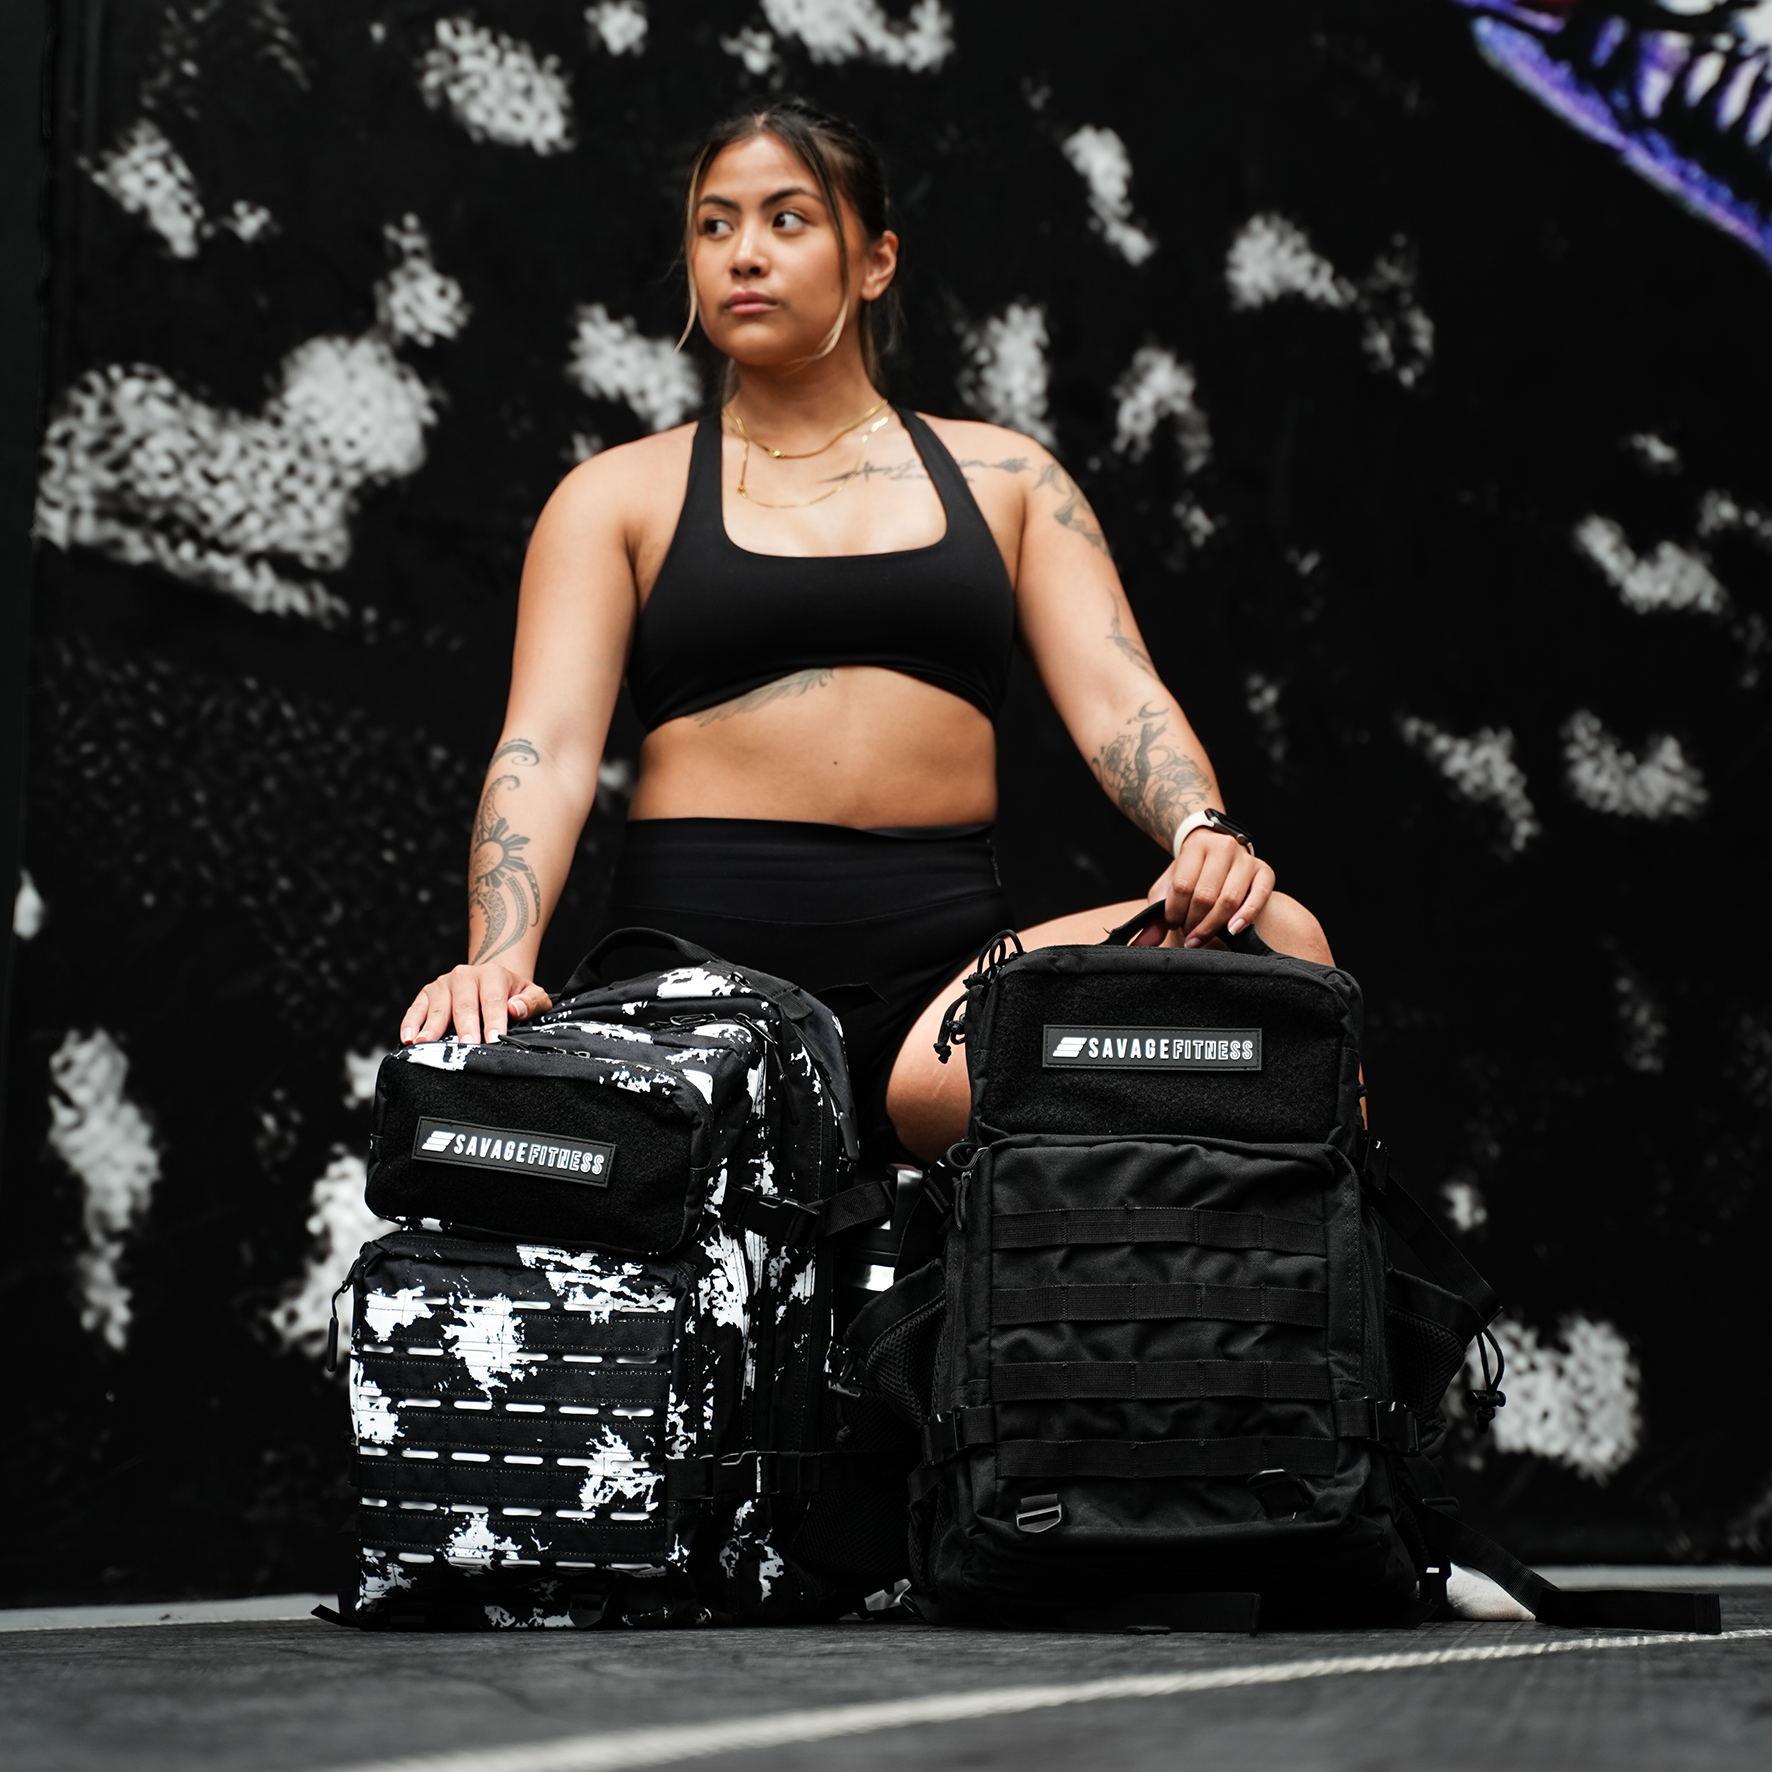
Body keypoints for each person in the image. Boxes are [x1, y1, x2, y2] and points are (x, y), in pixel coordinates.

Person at [398, 98, 1334, 1169]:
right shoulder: (615, 496)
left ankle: (1322, 1320)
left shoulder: (1009, 479)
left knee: (1278, 944)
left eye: (786, 218)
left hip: (943, 991)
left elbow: (1119, 697)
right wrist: (496, 954)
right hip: (696, 988)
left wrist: (1200, 829)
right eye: (714, 224)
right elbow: (547, 747)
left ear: (875, 260)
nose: (743, 252)